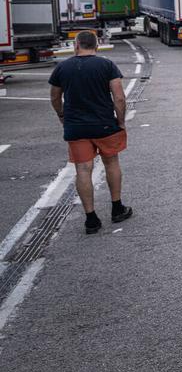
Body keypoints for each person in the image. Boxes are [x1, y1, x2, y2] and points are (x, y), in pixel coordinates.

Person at [49, 30, 132, 233]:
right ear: (96, 46)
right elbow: (119, 98)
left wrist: (62, 115)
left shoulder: (62, 68)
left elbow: (54, 97)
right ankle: (117, 208)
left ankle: (91, 219)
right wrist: (121, 121)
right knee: (111, 163)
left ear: (76, 45)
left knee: (83, 170)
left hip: (76, 127)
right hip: (104, 125)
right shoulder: (107, 65)